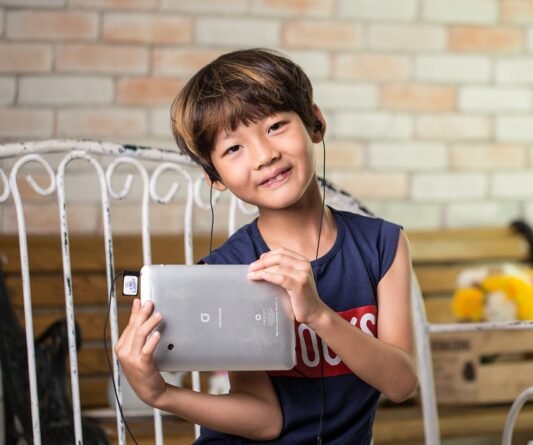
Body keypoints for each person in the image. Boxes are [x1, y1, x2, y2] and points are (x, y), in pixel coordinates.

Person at [114, 48, 417, 444]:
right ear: (214, 175)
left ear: (316, 123)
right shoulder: (228, 271)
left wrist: (318, 315)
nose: (264, 155)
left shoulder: (383, 245)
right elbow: (267, 420)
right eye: (233, 148)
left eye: (275, 126)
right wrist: (161, 394)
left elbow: (400, 384)